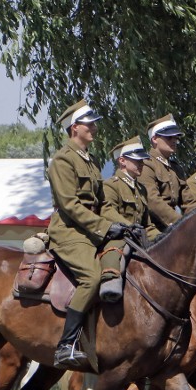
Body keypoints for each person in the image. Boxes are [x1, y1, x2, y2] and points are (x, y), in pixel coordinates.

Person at [48, 99, 126, 369]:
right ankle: (66, 345)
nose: (94, 127)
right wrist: (104, 227)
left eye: (93, 123)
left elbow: (104, 204)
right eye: (89, 123)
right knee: (92, 277)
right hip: (69, 232)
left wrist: (125, 224)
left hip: (91, 229)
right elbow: (70, 205)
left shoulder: (91, 162)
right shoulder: (62, 160)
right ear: (74, 128)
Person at [99, 136, 161, 302]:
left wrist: (164, 237)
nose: (141, 164)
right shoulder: (111, 185)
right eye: (136, 161)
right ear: (122, 161)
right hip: (119, 237)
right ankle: (110, 287)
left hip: (139, 239)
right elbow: (107, 210)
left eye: (142, 161)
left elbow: (147, 224)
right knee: (115, 256)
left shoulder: (141, 189)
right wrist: (130, 226)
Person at [138, 114, 187, 232]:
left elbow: (188, 200)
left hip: (174, 225)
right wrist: (180, 223)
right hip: (153, 228)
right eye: (169, 137)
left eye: (176, 137)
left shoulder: (176, 168)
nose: (174, 141)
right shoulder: (146, 164)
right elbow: (152, 200)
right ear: (154, 139)